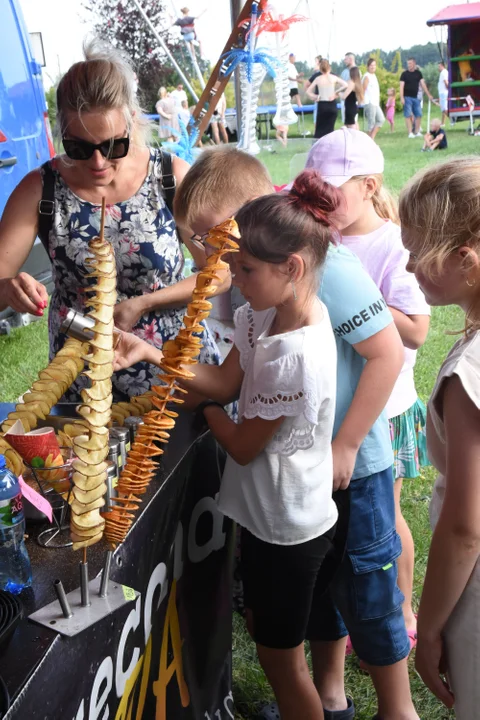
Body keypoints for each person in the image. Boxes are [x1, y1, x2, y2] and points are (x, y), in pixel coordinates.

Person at [174, 146, 416, 719]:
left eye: (212, 239)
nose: (206, 257)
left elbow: (385, 353)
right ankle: (329, 696)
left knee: (365, 594)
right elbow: (233, 372)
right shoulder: (259, 285)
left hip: (348, 458)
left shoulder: (323, 275)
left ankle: (396, 707)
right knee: (321, 601)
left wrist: (348, 443)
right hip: (303, 465)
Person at [115, 169, 341, 720]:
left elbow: (240, 443)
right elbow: (224, 381)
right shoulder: (269, 312)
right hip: (266, 515)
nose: (232, 280)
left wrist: (205, 410)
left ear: (291, 268)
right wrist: (153, 357)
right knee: (271, 642)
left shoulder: (296, 355)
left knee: (280, 659)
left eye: (244, 268)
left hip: (290, 528)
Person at [0, 42, 224, 402]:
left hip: (173, 373)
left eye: (114, 146)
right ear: (62, 134)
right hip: (83, 383)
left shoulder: (169, 178)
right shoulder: (41, 189)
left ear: (131, 121)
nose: (98, 162)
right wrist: (8, 288)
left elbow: (221, 271)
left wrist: (146, 303)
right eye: (79, 148)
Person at [307, 126, 431, 654]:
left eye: (333, 187)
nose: (323, 198)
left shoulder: (392, 243)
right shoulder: (326, 239)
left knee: (389, 517)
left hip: (389, 404)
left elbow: (418, 328)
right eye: (315, 185)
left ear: (369, 184)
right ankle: (355, 607)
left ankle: (401, 609)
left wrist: (362, 307)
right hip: (346, 400)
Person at [399, 157, 480, 720]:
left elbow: (464, 527)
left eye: (417, 252)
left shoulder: (468, 374)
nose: (407, 264)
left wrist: (428, 631)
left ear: (465, 258)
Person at [306, 59, 347, 139]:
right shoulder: (333, 77)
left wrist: (315, 97)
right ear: (329, 68)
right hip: (332, 105)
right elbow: (345, 85)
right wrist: (336, 92)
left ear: (320, 69)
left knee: (319, 131)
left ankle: (318, 147)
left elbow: (308, 91)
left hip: (322, 105)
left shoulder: (318, 79)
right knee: (330, 130)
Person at [400, 57, 434, 138]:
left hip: (416, 97)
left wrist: (428, 94)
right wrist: (401, 97)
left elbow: (423, 85)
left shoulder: (418, 73)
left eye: (410, 63)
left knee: (418, 114)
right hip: (407, 97)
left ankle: (417, 131)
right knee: (408, 115)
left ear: (414, 63)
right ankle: (410, 133)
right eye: (408, 63)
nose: (409, 65)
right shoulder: (404, 74)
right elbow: (401, 86)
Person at [362, 58, 385, 141]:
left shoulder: (374, 76)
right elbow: (363, 89)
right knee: (370, 124)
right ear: (368, 66)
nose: (373, 67)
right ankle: (367, 141)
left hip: (375, 103)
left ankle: (371, 139)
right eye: (371, 65)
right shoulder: (367, 76)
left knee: (381, 120)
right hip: (369, 102)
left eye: (374, 65)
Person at [305, 55, 322, 126]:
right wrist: (312, 96)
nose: (315, 64)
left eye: (316, 62)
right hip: (318, 99)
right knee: (317, 121)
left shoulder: (326, 74)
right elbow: (306, 85)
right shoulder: (316, 75)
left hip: (326, 100)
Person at [340, 53, 356, 123]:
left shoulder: (356, 72)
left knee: (352, 122)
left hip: (351, 100)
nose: (344, 61)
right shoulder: (344, 72)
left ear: (350, 59)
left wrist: (338, 93)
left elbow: (352, 86)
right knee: (347, 121)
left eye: (346, 59)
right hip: (345, 100)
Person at [437, 61, 449, 125]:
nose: (438, 68)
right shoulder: (444, 72)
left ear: (442, 66)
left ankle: (452, 119)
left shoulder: (443, 72)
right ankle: (443, 123)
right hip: (442, 92)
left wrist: (448, 88)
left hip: (443, 93)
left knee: (444, 108)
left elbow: (446, 82)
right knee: (443, 109)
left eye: (439, 66)